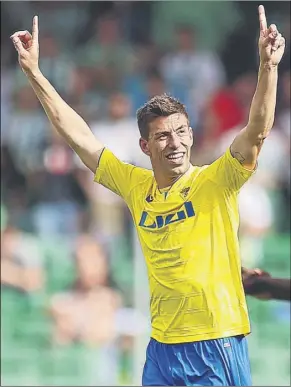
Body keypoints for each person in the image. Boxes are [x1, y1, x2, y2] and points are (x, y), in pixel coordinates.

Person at [10, 5, 285, 386]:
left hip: (214, 341)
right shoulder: (136, 186)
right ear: (145, 144)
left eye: (181, 131)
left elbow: (256, 129)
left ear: (191, 134)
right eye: (162, 135)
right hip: (162, 347)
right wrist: (35, 73)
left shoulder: (217, 180)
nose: (175, 143)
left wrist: (268, 67)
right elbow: (78, 135)